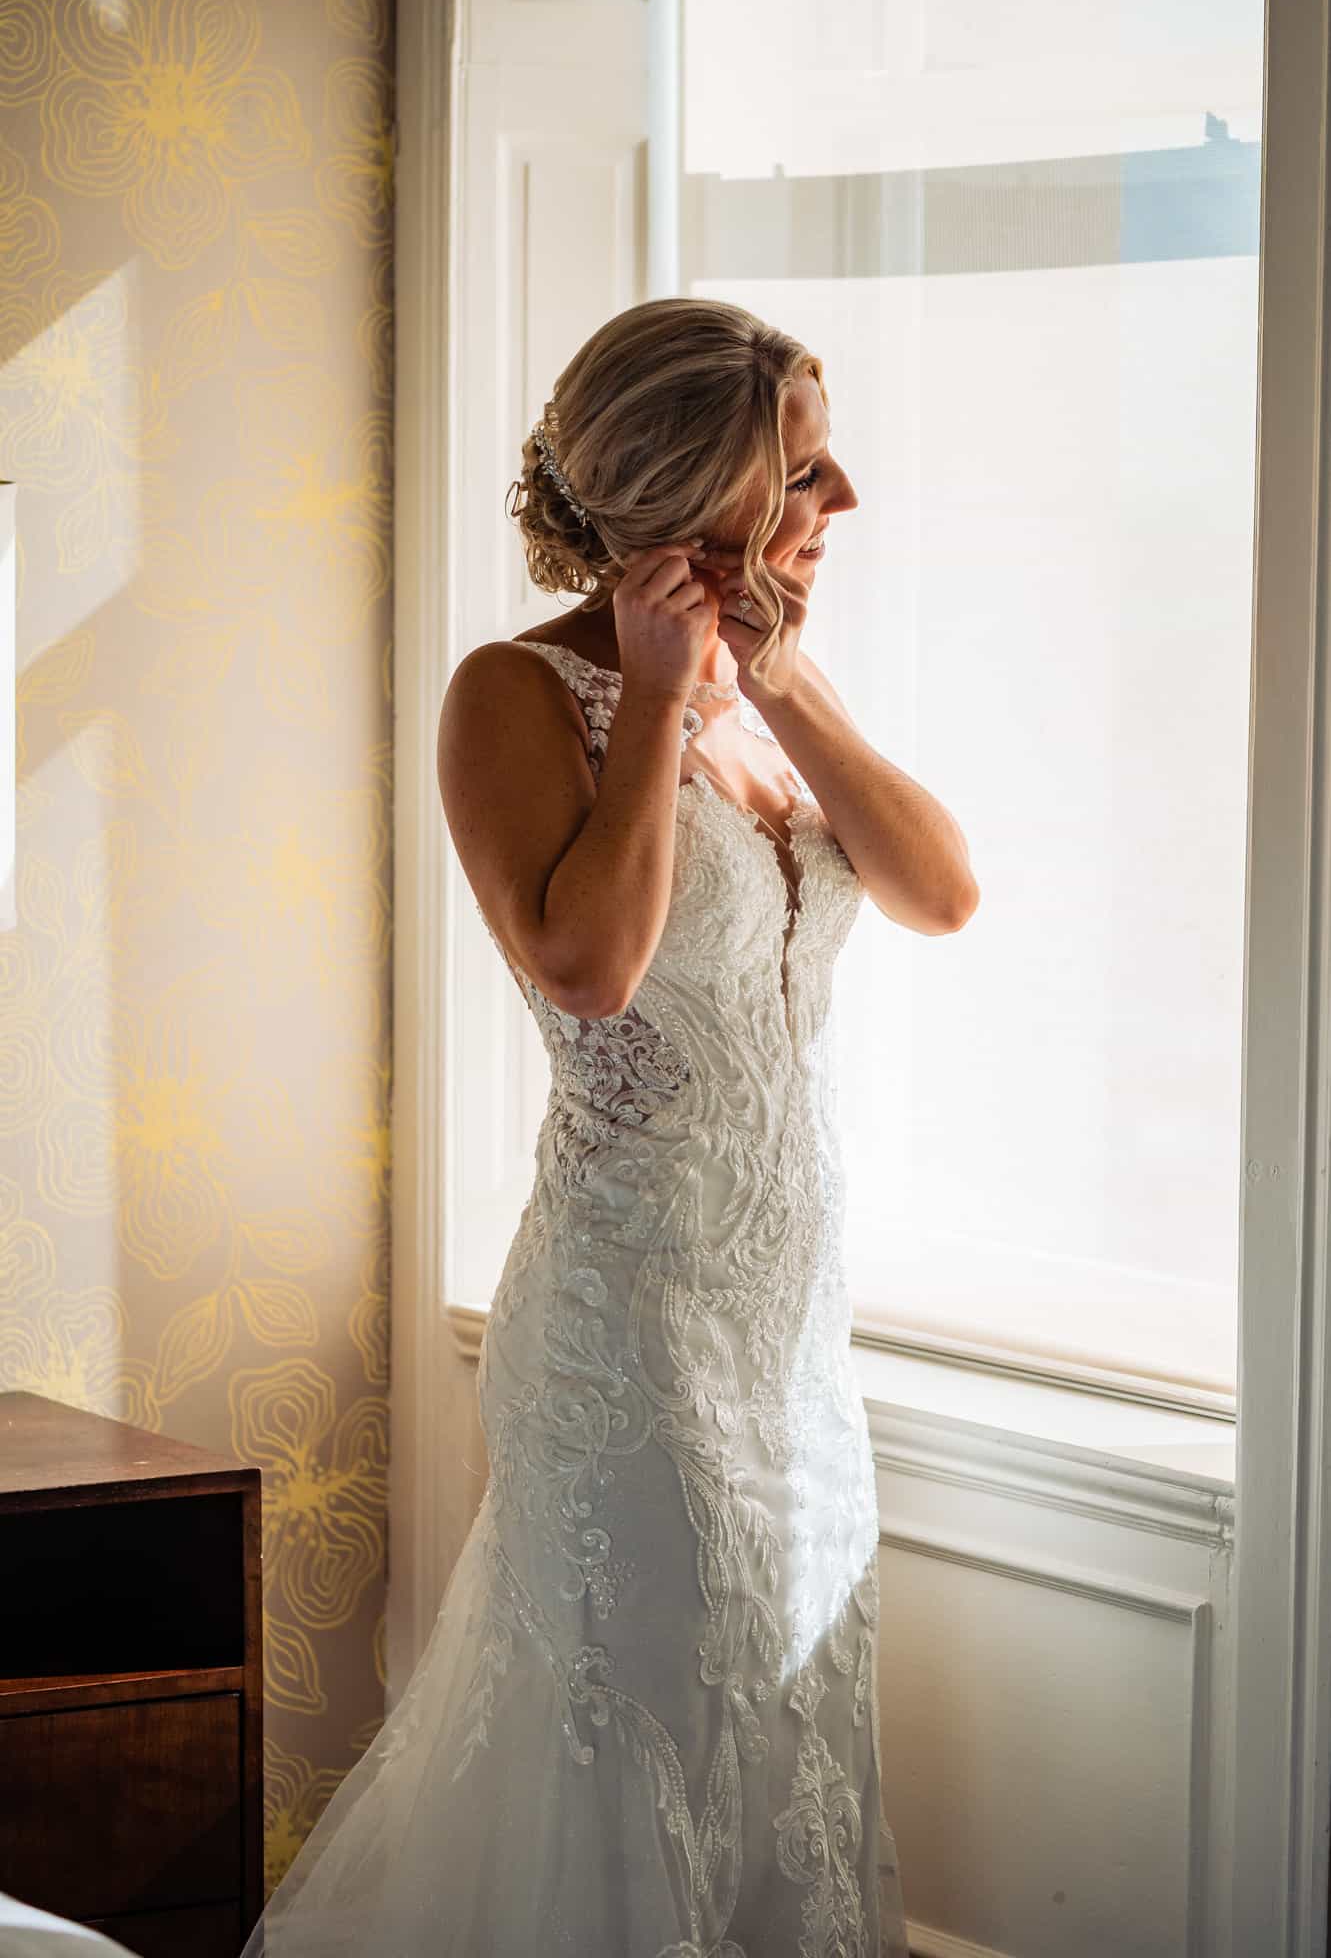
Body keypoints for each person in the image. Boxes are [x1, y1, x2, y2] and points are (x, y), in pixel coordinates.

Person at [241, 296, 979, 1956]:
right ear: (698, 490)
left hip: (789, 1341)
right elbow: (589, 968)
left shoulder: (779, 681)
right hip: (629, 1337)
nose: (842, 495)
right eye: (802, 463)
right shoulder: (515, 695)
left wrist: (773, 691)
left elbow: (941, 892)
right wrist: (655, 700)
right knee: (637, 1736)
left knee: (782, 1739)